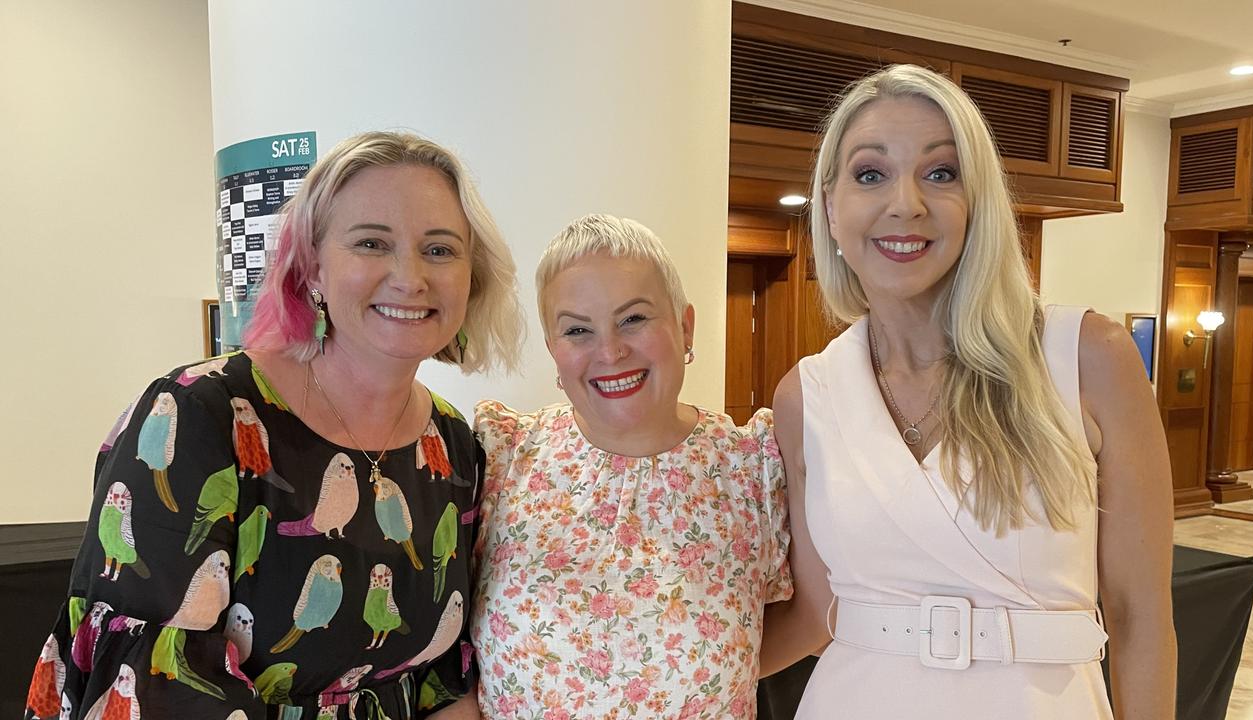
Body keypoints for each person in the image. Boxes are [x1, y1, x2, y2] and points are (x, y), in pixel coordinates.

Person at [24, 131, 523, 719]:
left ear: (473, 277)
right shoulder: (199, 413)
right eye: (371, 243)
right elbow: (160, 684)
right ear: (311, 267)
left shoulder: (453, 445)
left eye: (440, 249)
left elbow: (445, 678)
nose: (410, 277)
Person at [760, 65, 1177, 718]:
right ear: (831, 209)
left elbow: (1140, 615)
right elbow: (816, 613)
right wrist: (630, 666)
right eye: (871, 174)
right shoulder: (806, 397)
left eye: (941, 172)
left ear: (979, 202)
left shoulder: (1087, 358)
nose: (906, 203)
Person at [470, 214, 793, 719]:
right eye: (578, 330)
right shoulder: (502, 457)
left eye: (634, 319)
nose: (610, 350)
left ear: (684, 326)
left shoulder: (754, 469)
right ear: (554, 351)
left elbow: (810, 617)